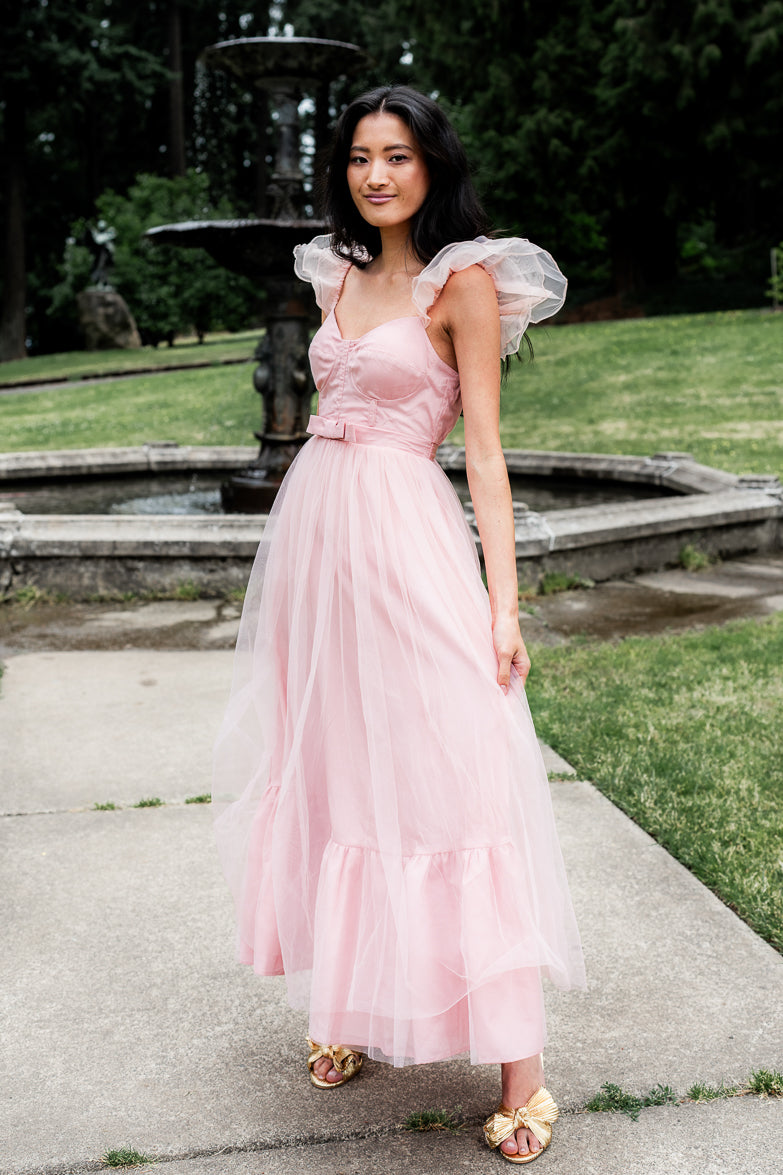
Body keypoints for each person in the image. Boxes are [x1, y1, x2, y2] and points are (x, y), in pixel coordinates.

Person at [213, 84, 585, 1164]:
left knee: (449, 771)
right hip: (317, 551)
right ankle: (349, 1004)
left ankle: (522, 1073)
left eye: (398, 156)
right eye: (359, 157)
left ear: (432, 166)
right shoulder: (332, 273)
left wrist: (504, 604)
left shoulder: (464, 281)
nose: (376, 175)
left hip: (406, 542)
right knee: (337, 769)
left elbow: (485, 453)